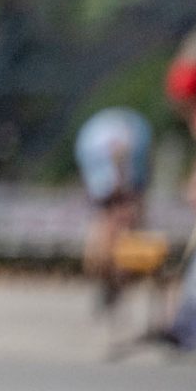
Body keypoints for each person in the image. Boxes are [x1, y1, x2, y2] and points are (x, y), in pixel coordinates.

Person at [72, 106, 151, 312]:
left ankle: (116, 276)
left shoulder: (110, 145)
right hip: (108, 155)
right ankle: (115, 277)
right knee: (116, 224)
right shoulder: (107, 149)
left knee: (115, 225)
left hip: (110, 154)